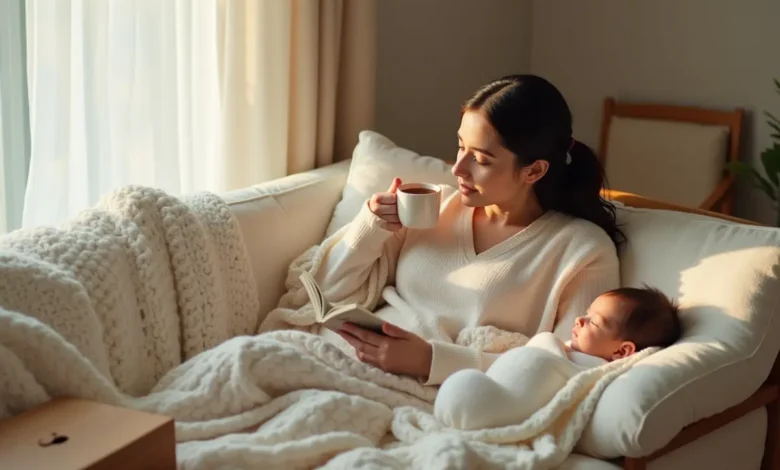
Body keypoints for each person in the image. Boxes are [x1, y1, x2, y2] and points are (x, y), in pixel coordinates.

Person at [313, 74, 624, 385]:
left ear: (534, 170)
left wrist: (430, 362)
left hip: (441, 394)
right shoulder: (432, 206)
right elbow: (326, 295)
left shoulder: (582, 250)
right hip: (339, 359)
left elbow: (569, 368)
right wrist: (371, 227)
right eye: (460, 146)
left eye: (480, 159)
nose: (457, 168)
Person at [433, 285, 682, 430]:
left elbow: (569, 398)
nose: (579, 320)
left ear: (621, 351)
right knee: (464, 385)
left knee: (465, 388)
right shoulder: (570, 349)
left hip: (496, 411)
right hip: (488, 389)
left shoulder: (594, 373)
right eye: (587, 313)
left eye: (593, 322)